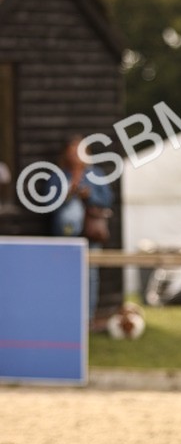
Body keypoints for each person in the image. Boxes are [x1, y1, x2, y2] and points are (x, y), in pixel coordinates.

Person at [48, 135, 114, 326]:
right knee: (64, 276)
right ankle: (64, 318)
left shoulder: (97, 174)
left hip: (90, 233)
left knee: (90, 276)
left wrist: (89, 195)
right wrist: (68, 193)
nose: (76, 156)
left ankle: (87, 319)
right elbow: (47, 204)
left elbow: (107, 200)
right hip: (65, 237)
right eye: (73, 151)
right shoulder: (58, 176)